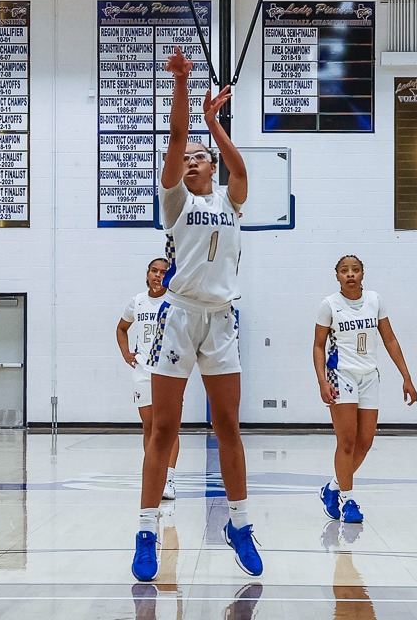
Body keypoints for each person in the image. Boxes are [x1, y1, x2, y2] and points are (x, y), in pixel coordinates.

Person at [133, 48, 258, 582]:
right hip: (180, 317)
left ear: (212, 165)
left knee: (228, 425)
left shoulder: (231, 202)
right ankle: (146, 531)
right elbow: (176, 136)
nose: (190, 160)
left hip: (222, 319)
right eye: (186, 157)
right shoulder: (176, 202)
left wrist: (215, 124)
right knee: (163, 428)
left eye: (200, 156)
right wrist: (183, 83)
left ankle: (240, 524)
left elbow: (241, 168)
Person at [313, 254, 417, 524]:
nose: (350, 274)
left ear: (362, 274)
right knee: (347, 442)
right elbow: (318, 345)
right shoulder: (329, 305)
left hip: (369, 375)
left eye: (355, 269)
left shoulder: (375, 300)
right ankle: (347, 500)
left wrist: (406, 377)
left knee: (365, 442)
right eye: (344, 270)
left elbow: (390, 339)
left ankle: (332, 488)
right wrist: (322, 381)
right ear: (337, 276)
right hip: (341, 374)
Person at [117, 258, 181, 501]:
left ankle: (169, 478)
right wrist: (126, 354)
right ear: (147, 274)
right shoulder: (137, 301)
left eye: (163, 272)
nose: (158, 275)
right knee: (149, 426)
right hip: (143, 371)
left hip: (169, 371)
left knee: (168, 427)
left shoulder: (175, 302)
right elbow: (121, 328)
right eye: (154, 271)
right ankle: (155, 475)